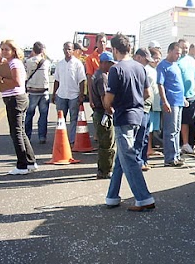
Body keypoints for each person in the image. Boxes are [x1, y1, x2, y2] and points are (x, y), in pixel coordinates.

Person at [104, 34, 155, 212]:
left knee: (129, 158)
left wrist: (110, 106)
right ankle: (112, 196)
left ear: (115, 50)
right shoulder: (140, 68)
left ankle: (144, 198)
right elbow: (148, 93)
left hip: (123, 116)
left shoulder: (115, 70)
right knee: (122, 157)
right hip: (139, 115)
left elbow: (108, 99)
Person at [0, 40, 37, 175]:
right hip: (15, 99)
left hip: (15, 99)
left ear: (14, 50)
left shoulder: (14, 63)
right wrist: (1, 56)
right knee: (21, 131)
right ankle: (30, 162)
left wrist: (1, 79)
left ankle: (22, 165)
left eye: (7, 49)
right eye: (2, 49)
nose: (4, 52)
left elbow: (17, 82)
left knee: (16, 132)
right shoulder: (9, 62)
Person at [157, 42, 185, 167]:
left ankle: (176, 155)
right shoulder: (163, 66)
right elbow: (160, 84)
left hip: (179, 101)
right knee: (171, 130)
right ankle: (170, 158)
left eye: (179, 53)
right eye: (176, 53)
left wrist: (183, 98)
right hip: (171, 101)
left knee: (177, 130)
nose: (178, 55)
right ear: (169, 51)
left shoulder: (176, 65)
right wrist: (165, 101)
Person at [52, 42, 86, 145]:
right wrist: (54, 94)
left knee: (73, 118)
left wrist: (81, 94)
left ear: (73, 50)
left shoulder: (77, 63)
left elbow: (82, 80)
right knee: (61, 119)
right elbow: (56, 80)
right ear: (63, 50)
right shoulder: (60, 64)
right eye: (66, 49)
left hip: (73, 96)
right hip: (61, 95)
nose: (67, 51)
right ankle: (61, 139)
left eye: (69, 49)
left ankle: (72, 140)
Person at [91, 51, 116, 179]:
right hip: (103, 113)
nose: (112, 66)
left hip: (98, 112)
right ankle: (106, 170)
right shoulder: (102, 77)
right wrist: (110, 111)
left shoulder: (96, 74)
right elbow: (104, 97)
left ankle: (103, 169)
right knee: (107, 143)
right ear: (104, 63)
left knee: (103, 143)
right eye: (111, 63)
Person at [24, 41, 51, 144]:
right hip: (44, 91)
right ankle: (42, 136)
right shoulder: (46, 62)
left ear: (33, 50)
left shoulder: (28, 61)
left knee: (29, 114)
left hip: (32, 91)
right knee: (43, 115)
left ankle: (27, 136)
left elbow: (26, 73)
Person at [132, 48, 153, 171]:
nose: (147, 62)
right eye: (145, 60)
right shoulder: (135, 69)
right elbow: (146, 92)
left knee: (144, 137)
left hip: (147, 107)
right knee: (139, 137)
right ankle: (138, 162)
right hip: (140, 108)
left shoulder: (143, 69)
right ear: (139, 57)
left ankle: (143, 160)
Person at [178, 43, 195, 155]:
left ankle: (189, 144)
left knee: (191, 121)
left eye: (186, 47)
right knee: (182, 122)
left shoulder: (192, 61)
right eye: (182, 47)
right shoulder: (177, 62)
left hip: (192, 95)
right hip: (181, 96)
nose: (184, 49)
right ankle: (184, 144)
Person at [147, 48, 163, 158]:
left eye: (159, 58)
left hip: (156, 104)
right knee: (148, 128)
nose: (157, 60)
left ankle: (150, 148)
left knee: (152, 128)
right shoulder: (147, 69)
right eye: (155, 58)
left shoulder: (156, 69)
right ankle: (147, 149)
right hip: (150, 104)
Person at [85, 33, 107, 110]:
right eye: (100, 42)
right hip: (97, 95)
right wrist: (90, 99)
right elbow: (89, 79)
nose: (102, 44)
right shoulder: (90, 59)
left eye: (104, 42)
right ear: (96, 43)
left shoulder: (110, 57)